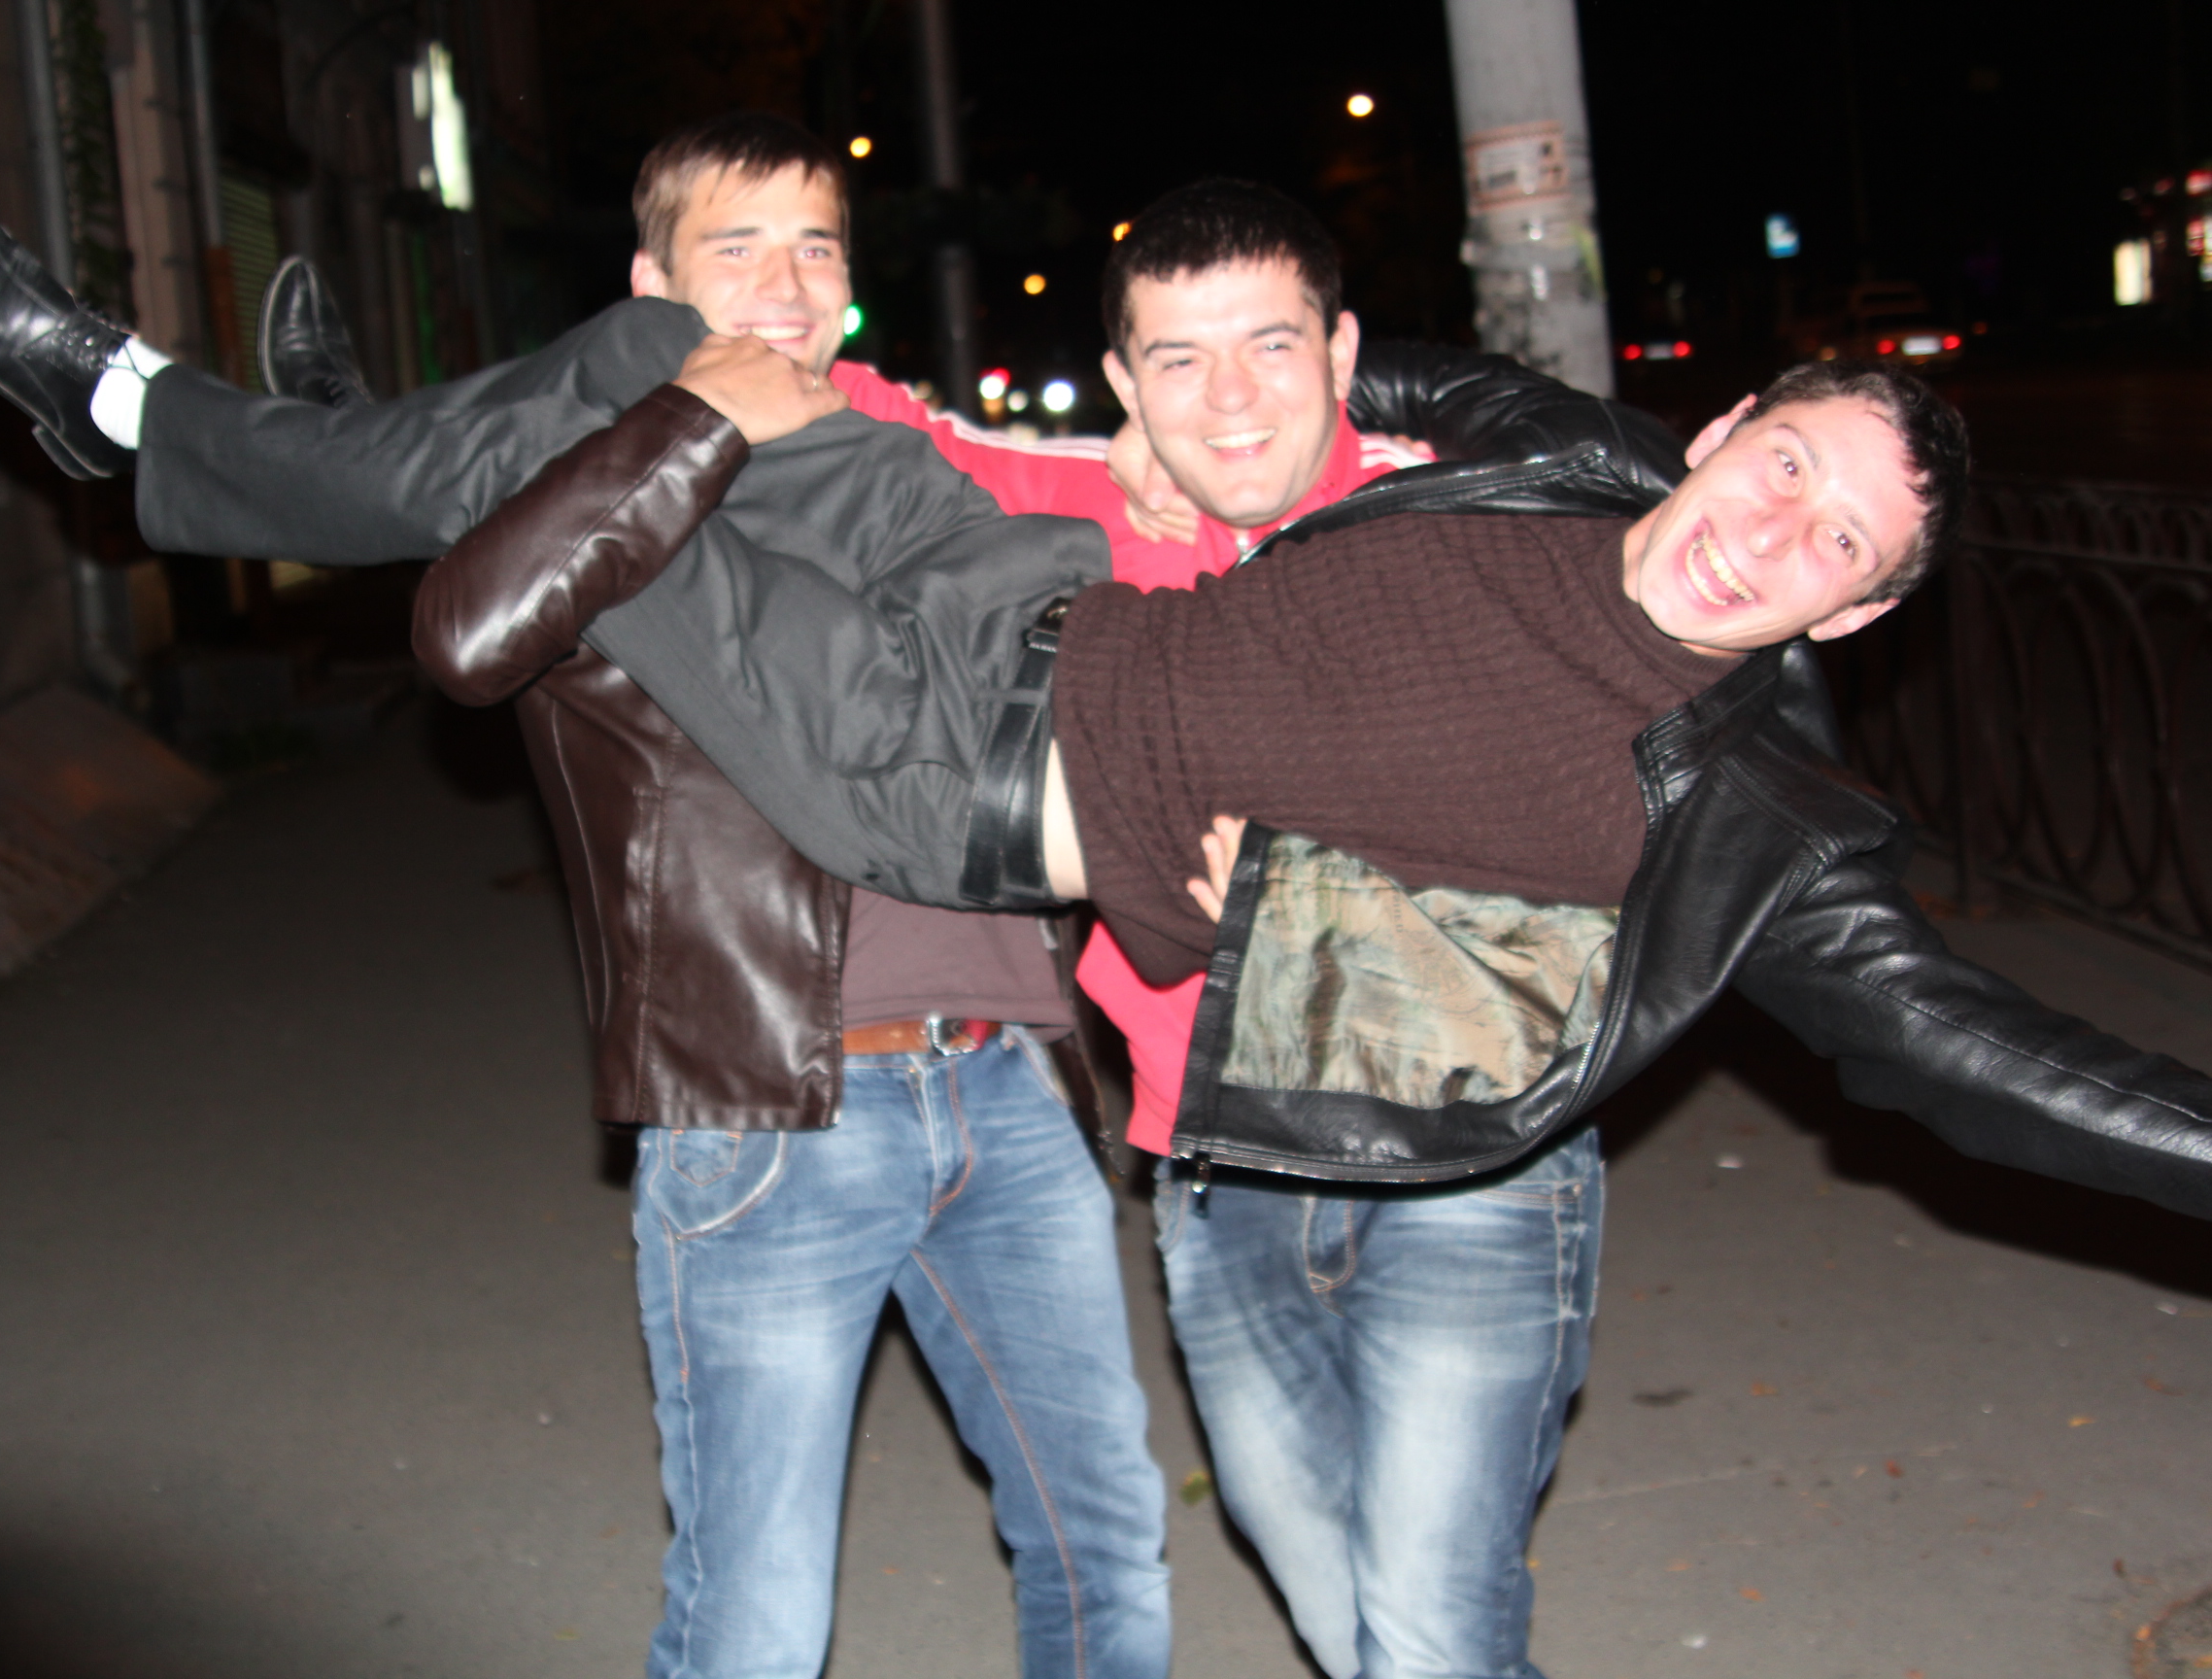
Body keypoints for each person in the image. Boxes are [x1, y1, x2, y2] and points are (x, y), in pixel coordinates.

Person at [409, 299, 2212, 1679]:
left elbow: (1963, 1048)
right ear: (1727, 430)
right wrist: (1200, 435)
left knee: (1426, 1637)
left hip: (1473, 1199)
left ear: (1858, 615)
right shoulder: (1567, 457)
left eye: (1842, 549)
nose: (1776, 532)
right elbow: (1385, 367)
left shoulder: (1768, 814)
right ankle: (259, 444)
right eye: (1792, 468)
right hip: (1234, 1164)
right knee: (1323, 1587)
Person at [0, 118, 1171, 1679]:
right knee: (755, 1623)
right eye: (739, 250)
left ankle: (222, 425)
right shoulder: (634, 473)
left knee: (1104, 1543)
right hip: (778, 1117)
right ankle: (176, 413)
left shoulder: (888, 446)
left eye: (819, 249)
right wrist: (696, 417)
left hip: (1006, 1098)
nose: (789, 286)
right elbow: (473, 625)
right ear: (659, 272)